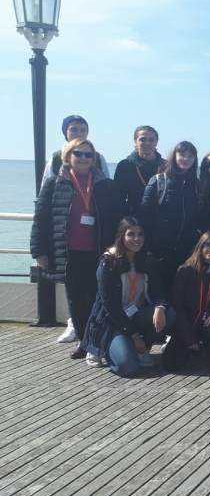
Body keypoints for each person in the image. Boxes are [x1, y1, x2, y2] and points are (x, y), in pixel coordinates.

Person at [31, 139, 123, 355]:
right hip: (68, 253)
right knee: (76, 299)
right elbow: (41, 219)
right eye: (78, 153)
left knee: (98, 297)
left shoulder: (105, 185)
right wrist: (38, 251)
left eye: (88, 155)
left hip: (99, 251)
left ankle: (98, 340)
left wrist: (118, 248)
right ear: (68, 156)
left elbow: (117, 218)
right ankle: (83, 341)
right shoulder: (54, 183)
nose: (83, 158)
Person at [80, 217, 176, 376]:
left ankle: (142, 348)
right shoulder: (108, 263)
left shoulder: (147, 260)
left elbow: (158, 291)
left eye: (140, 234)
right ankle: (102, 348)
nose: (136, 239)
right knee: (128, 367)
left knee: (169, 314)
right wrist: (134, 335)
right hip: (113, 321)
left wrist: (160, 307)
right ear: (121, 236)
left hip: (136, 313)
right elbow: (110, 307)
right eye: (131, 234)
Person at [139, 141, 201, 292]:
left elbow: (200, 217)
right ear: (174, 156)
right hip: (159, 251)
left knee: (181, 292)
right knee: (158, 293)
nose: (186, 159)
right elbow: (145, 216)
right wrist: (149, 248)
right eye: (182, 154)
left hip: (187, 251)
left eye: (190, 156)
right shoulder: (159, 181)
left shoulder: (197, 185)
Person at [165, 231, 210, 370]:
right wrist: (189, 338)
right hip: (188, 321)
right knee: (171, 365)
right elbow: (177, 305)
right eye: (208, 245)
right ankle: (183, 344)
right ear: (200, 247)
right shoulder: (186, 270)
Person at [41, 115, 110, 185]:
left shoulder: (99, 159)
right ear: (65, 132)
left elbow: (107, 186)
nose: (79, 134)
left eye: (83, 130)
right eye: (74, 130)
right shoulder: (56, 159)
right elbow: (45, 187)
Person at [114, 126, 166, 216]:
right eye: (143, 139)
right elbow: (118, 198)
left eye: (151, 140)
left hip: (161, 219)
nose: (147, 143)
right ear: (135, 141)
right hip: (134, 219)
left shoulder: (166, 166)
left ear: (156, 142)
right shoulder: (125, 166)